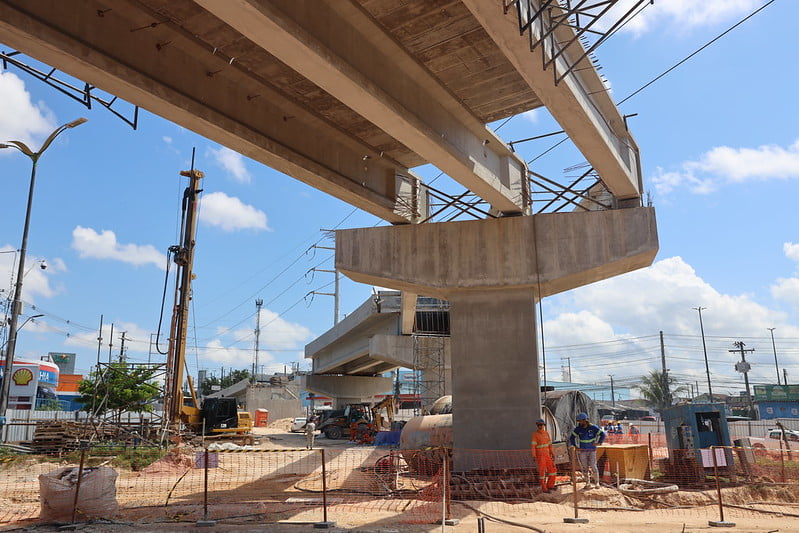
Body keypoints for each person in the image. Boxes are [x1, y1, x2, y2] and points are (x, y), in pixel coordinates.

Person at [568, 412, 605, 488]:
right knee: (585, 467)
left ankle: (597, 482)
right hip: (583, 451)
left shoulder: (593, 427)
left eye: (580, 421)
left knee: (593, 466)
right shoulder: (578, 429)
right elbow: (572, 438)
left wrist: (599, 443)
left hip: (592, 450)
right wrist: (575, 446)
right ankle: (587, 483)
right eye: (579, 421)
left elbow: (603, 434)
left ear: (585, 420)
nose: (579, 422)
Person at [531, 418, 557, 493]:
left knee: (552, 470)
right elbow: (533, 446)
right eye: (538, 425)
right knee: (542, 472)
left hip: (547, 455)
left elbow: (550, 445)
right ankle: (544, 488)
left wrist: (553, 454)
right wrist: (534, 456)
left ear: (544, 425)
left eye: (541, 425)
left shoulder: (546, 433)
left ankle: (550, 486)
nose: (540, 426)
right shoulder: (535, 435)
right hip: (540, 455)